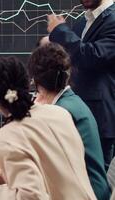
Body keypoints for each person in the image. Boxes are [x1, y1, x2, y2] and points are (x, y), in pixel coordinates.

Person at [0, 57, 96, 199]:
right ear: (28, 85)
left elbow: (31, 198)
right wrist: (8, 178)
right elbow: (56, 177)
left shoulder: (8, 136)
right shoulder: (60, 114)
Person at [28, 43, 110, 200]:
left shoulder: (60, 112)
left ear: (37, 82)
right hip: (93, 189)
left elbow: (44, 167)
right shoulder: (72, 101)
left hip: (86, 194)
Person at [46, 0, 115, 169]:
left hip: (101, 119)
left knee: (97, 182)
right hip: (77, 116)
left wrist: (60, 31)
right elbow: (74, 56)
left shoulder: (113, 19)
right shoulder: (83, 22)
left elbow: (91, 56)